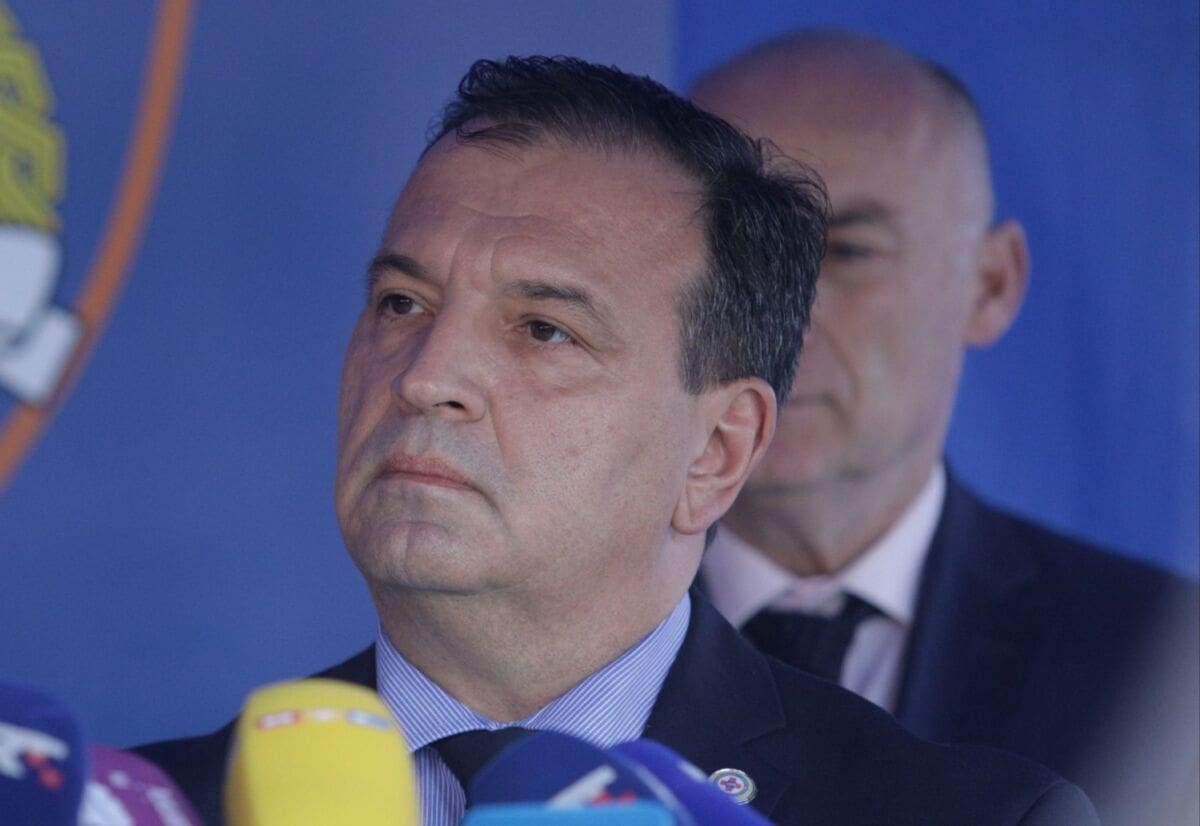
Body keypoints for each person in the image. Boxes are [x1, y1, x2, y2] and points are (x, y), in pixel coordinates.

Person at [135, 55, 1098, 825]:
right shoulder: (141, 810)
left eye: (544, 329)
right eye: (401, 303)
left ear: (717, 452)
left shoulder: (960, 816)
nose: (425, 376)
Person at [690, 29, 1199, 826]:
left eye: (848, 250)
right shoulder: (524, 634)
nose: (781, 321)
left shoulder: (1167, 671)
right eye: (736, 251)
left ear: (991, 284)